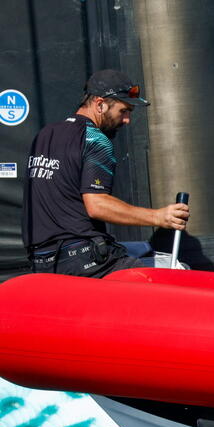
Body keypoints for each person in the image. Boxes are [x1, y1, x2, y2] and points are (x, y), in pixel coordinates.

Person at [22, 69, 189, 277]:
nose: (127, 120)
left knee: (143, 248)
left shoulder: (45, 134)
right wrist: (159, 216)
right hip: (85, 262)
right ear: (100, 104)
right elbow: (97, 205)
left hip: (43, 264)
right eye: (123, 111)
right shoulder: (96, 140)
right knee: (176, 273)